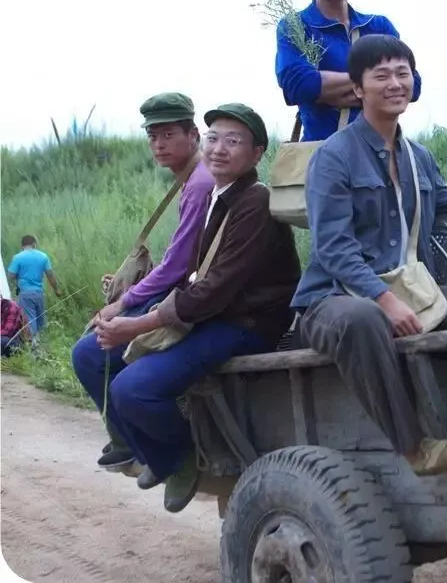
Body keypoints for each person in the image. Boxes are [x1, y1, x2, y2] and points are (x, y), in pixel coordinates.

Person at [292, 34, 447, 476]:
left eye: (402, 73)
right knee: (363, 319)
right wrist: (384, 300)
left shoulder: (417, 156)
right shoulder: (334, 156)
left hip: (408, 287)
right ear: (358, 88)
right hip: (334, 297)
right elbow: (333, 248)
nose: (394, 83)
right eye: (381, 75)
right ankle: (413, 445)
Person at [73, 103, 302, 513]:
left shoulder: (254, 202)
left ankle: (180, 459)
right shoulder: (218, 195)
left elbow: (213, 289)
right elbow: (196, 277)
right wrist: (137, 308)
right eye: (214, 138)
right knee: (93, 356)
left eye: (233, 141)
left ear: (257, 154)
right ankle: (147, 450)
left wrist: (137, 323)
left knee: (132, 389)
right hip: (215, 314)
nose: (219, 149)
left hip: (247, 323)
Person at [74, 92, 216, 471]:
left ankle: (142, 446)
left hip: (193, 299)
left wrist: (123, 302)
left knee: (88, 353)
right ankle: (130, 439)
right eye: (153, 136)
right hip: (188, 291)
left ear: (193, 135)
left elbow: (177, 267)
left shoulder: (199, 183)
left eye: (168, 135)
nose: (158, 145)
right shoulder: (193, 179)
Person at [275, 0, 422, 142]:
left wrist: (324, 92)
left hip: (379, 150)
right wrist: (375, 87)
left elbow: (413, 85)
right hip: (320, 151)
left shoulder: (379, 26)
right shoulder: (296, 26)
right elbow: (298, 85)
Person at [7, 235, 61, 335]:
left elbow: (10, 276)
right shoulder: (43, 256)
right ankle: (44, 339)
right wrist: (56, 290)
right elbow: (50, 275)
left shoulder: (17, 257)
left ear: (22, 246)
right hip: (39, 292)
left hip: (25, 293)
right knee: (40, 318)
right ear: (34, 244)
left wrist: (18, 277)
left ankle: (34, 342)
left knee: (30, 319)